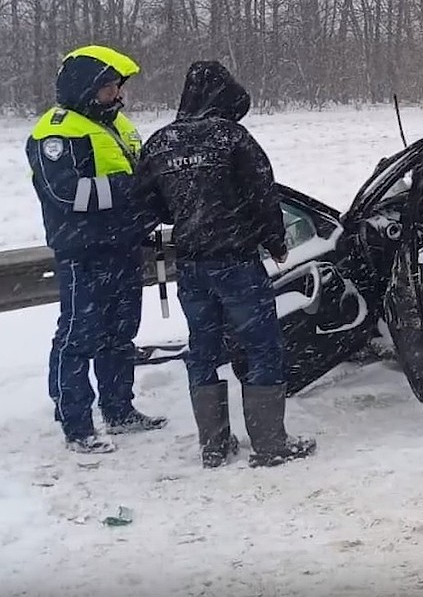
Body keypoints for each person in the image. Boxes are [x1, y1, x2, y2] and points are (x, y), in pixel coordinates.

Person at [135, 60, 315, 468]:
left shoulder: (161, 143)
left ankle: (213, 446)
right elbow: (263, 196)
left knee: (202, 349)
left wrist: (184, 208)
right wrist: (275, 242)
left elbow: (147, 208)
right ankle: (270, 444)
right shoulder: (233, 138)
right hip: (237, 263)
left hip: (192, 266)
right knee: (262, 348)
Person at [26, 45, 167, 454]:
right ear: (86, 88)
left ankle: (119, 409)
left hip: (123, 247)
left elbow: (139, 170)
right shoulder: (55, 132)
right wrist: (131, 193)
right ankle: (76, 422)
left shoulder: (118, 125)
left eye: (118, 90)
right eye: (109, 89)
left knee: (121, 334)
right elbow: (64, 192)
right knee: (79, 336)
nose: (117, 97)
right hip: (84, 253)